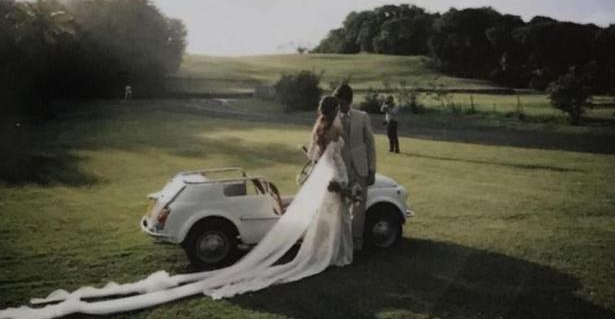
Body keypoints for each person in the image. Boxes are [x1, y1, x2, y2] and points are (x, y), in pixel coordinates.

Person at [0, 96, 353, 318]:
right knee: (330, 217)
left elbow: (313, 156)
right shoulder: (335, 132)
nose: (338, 114)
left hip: (321, 177)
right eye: (337, 110)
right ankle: (331, 254)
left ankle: (327, 251)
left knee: (322, 215)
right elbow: (332, 160)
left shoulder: (318, 131)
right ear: (335, 111)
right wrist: (343, 181)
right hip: (331, 179)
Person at [333, 83, 376, 251]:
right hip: (341, 169)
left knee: (359, 205)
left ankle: (357, 242)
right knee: (340, 205)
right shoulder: (333, 118)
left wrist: (372, 169)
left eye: (342, 102)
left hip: (361, 168)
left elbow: (370, 144)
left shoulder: (362, 116)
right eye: (338, 102)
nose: (340, 106)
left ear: (349, 101)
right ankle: (342, 241)